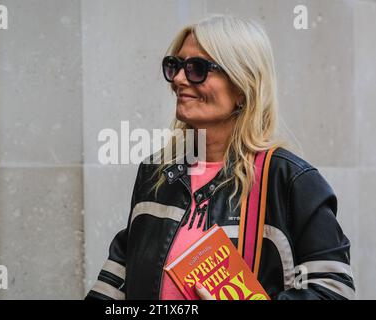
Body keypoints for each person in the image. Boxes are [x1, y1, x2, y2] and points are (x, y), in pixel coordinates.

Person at [85, 14, 354, 300]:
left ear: (241, 87)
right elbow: (119, 276)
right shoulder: (157, 173)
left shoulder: (290, 181)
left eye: (197, 68)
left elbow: (334, 292)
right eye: (174, 66)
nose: (178, 79)